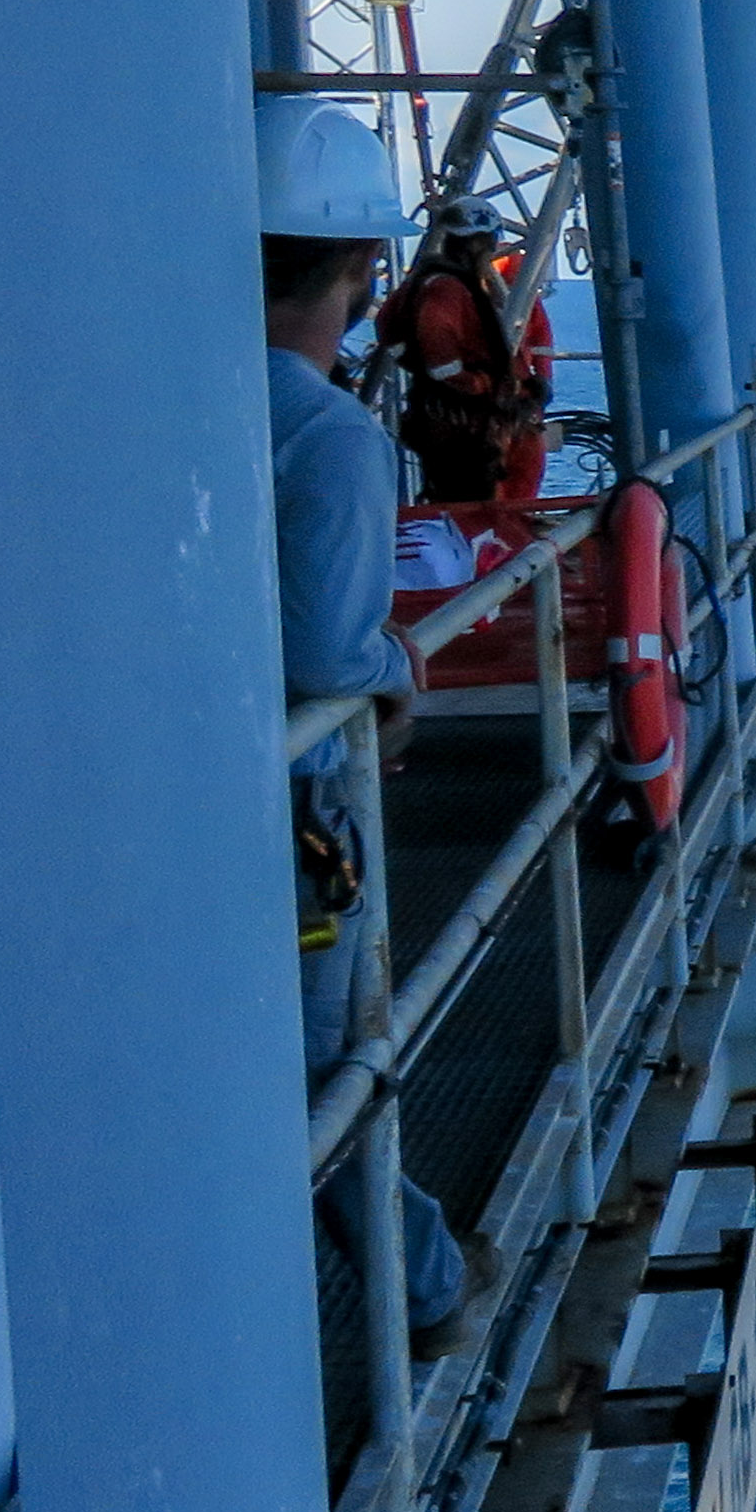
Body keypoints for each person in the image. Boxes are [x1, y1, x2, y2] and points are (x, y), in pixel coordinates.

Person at [263, 99, 466, 1329]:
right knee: (326, 1071)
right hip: (292, 812)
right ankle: (429, 1290)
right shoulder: (330, 437)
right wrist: (396, 661)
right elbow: (326, 649)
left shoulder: (149, 409)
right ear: (358, 266)